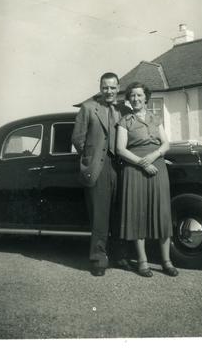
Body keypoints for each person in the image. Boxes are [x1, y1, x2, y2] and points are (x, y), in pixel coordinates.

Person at [72, 72, 132, 277]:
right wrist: (92, 157)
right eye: (105, 87)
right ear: (100, 87)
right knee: (99, 216)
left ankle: (120, 255)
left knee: (120, 213)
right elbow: (77, 139)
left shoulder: (125, 109)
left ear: (118, 87)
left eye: (113, 87)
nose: (109, 91)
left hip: (122, 166)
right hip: (99, 167)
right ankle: (98, 259)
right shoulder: (88, 108)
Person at [116, 82, 179, 278]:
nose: (135, 99)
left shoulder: (155, 118)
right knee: (137, 214)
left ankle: (166, 261)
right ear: (129, 99)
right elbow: (120, 149)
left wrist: (154, 156)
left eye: (139, 95)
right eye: (132, 96)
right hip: (134, 169)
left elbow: (166, 143)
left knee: (161, 213)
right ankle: (142, 261)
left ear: (146, 98)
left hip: (157, 166)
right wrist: (143, 163)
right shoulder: (125, 121)